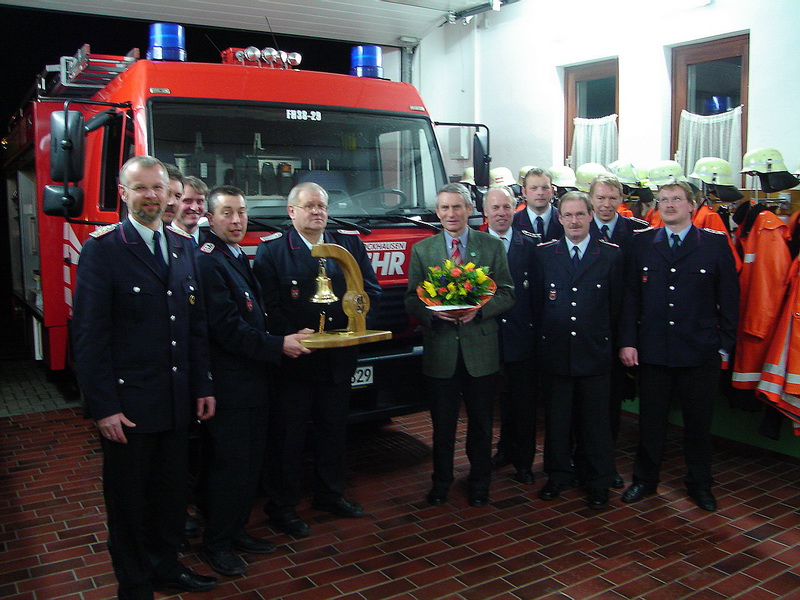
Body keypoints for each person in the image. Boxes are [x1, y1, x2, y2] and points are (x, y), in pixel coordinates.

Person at [72, 156, 217, 599]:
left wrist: (203, 385)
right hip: (129, 407)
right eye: (141, 189)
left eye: (158, 188)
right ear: (124, 193)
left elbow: (194, 327)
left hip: (175, 401)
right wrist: (104, 408)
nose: (152, 197)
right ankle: (134, 584)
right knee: (129, 504)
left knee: (171, 497)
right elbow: (90, 338)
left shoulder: (181, 247)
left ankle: (167, 566)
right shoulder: (104, 250)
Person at [252, 182, 380, 537]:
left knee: (333, 431)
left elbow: (370, 289)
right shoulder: (273, 252)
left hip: (339, 359)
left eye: (322, 206)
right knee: (288, 438)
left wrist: (360, 321)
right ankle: (283, 507)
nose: (317, 212)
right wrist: (292, 336)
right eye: (309, 206)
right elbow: (268, 308)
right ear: (291, 212)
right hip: (297, 362)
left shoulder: (348, 245)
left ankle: (330, 494)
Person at [195, 186, 311, 576]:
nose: (237, 220)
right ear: (209, 219)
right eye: (227, 213)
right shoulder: (209, 260)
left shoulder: (234, 255)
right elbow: (228, 329)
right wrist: (279, 345)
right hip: (231, 386)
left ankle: (236, 530)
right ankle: (217, 543)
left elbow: (254, 315)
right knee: (230, 467)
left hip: (254, 381)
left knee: (248, 466)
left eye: (241, 212)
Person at [619, 180, 739, 511]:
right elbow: (631, 296)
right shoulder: (642, 243)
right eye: (663, 199)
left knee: (698, 425)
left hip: (699, 350)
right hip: (654, 348)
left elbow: (729, 298)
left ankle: (700, 484)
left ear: (692, 206)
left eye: (676, 199)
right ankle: (645, 479)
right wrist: (628, 341)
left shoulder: (713, 244)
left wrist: (723, 344)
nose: (669, 204)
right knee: (651, 421)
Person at [405, 183, 515, 507]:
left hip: (481, 350)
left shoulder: (491, 246)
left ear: (470, 210)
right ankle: (441, 482)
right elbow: (412, 298)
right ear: (437, 212)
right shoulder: (423, 250)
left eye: (457, 207)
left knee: (481, 424)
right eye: (444, 208)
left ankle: (480, 483)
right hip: (441, 350)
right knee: (442, 425)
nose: (450, 214)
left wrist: (480, 312)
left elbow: (507, 292)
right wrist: (433, 315)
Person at [533, 191, 622, 509]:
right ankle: (558, 475)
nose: (574, 221)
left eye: (580, 215)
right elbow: (537, 306)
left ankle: (598, 481)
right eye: (568, 215)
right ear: (560, 219)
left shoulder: (610, 255)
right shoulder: (544, 254)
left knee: (595, 423)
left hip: (595, 352)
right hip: (556, 353)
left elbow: (619, 308)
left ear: (590, 217)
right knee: (557, 421)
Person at [588, 174, 649, 488]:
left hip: (616, 331)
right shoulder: (573, 226)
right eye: (600, 198)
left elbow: (633, 293)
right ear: (591, 199)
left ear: (620, 199)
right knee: (581, 401)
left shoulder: (636, 233)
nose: (606, 204)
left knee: (610, 402)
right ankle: (578, 458)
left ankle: (605, 463)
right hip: (583, 332)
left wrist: (627, 337)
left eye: (613, 198)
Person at [483, 186, 538, 485]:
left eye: (506, 207)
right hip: (486, 337)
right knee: (490, 405)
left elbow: (539, 295)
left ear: (515, 208)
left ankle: (524, 462)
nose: (501, 213)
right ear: (485, 212)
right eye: (495, 208)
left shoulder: (531, 245)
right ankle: (501, 451)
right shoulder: (473, 245)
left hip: (521, 338)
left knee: (523, 405)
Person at [512, 167, 564, 242]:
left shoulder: (564, 220)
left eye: (545, 188)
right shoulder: (513, 222)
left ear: (552, 191)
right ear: (524, 191)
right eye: (534, 188)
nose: (540, 193)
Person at [174, 175, 208, 245]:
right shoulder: (163, 242)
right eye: (187, 201)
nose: (194, 208)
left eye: (200, 201)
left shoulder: (213, 242)